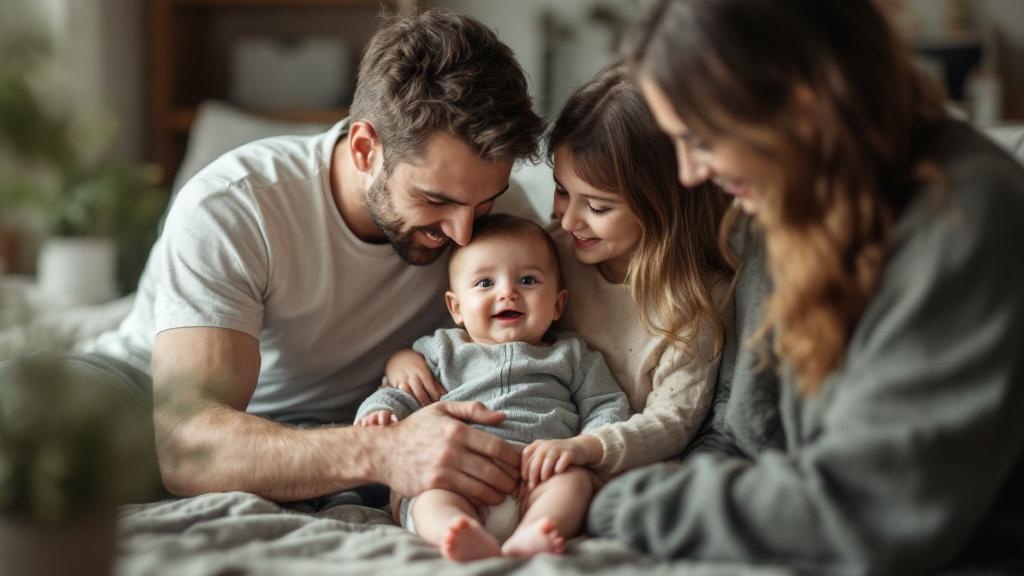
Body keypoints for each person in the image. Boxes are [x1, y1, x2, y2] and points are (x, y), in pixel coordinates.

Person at [588, 1, 1024, 574]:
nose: (691, 174)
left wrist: (615, 501)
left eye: (701, 140)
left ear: (799, 107)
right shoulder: (776, 212)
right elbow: (739, 429)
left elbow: (872, 510)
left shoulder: (966, 214)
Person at [64, 10, 547, 507]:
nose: (464, 232)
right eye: (435, 200)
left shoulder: (497, 213)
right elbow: (188, 445)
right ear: (365, 148)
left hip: (347, 422)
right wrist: (381, 452)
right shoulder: (236, 204)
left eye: (483, 202)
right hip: (152, 396)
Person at [391, 64, 735, 483]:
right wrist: (406, 360)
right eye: (561, 191)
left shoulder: (695, 302)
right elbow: (474, 337)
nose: (569, 221)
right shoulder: (546, 254)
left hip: (592, 466)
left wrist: (584, 449)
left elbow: (673, 421)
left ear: (664, 207)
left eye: (598, 207)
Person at [355, 214, 630, 561]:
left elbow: (606, 405)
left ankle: (537, 530)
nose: (507, 293)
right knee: (428, 498)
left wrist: (578, 447)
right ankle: (457, 530)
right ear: (456, 308)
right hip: (456, 475)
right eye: (485, 283)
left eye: (528, 280)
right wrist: (380, 412)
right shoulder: (441, 350)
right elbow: (402, 391)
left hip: (536, 479)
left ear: (558, 305)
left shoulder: (572, 355)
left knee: (574, 483)